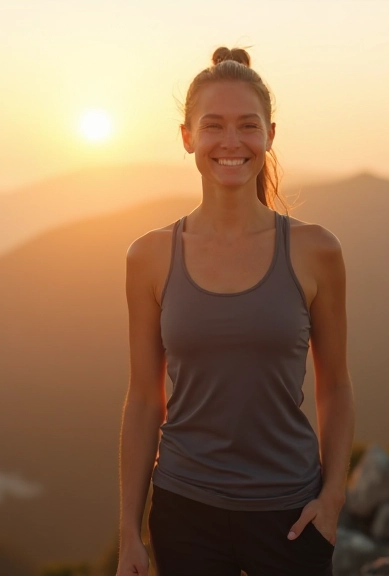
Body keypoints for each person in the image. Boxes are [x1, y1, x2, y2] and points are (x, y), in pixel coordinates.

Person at [117, 46, 355, 576]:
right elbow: (142, 401)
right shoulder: (150, 256)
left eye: (248, 126)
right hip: (184, 510)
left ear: (270, 134)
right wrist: (129, 534)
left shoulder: (316, 251)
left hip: (292, 514)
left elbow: (335, 385)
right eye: (213, 126)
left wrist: (333, 496)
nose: (231, 142)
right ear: (187, 138)